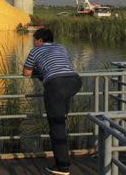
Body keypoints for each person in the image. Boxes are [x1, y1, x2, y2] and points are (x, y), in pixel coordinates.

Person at [23, 28, 82, 175]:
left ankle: (62, 166)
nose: (33, 42)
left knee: (57, 126)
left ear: (40, 41)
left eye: (34, 39)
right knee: (61, 118)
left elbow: (26, 73)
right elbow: (62, 64)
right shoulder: (61, 46)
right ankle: (63, 118)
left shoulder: (35, 51)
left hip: (56, 84)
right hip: (74, 80)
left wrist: (39, 71)